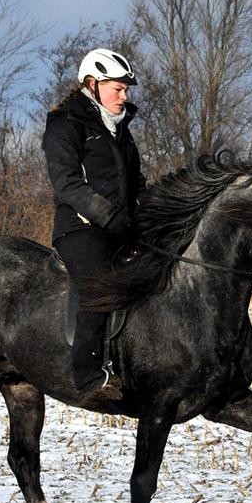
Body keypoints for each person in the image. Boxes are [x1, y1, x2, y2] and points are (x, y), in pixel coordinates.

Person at [42, 48, 145, 401]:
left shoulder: (120, 131)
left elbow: (137, 184)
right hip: (80, 228)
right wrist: (109, 215)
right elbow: (67, 183)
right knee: (101, 284)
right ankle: (87, 376)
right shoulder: (65, 124)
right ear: (93, 84)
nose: (124, 95)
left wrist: (150, 218)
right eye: (118, 88)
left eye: (126, 90)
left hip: (120, 229)